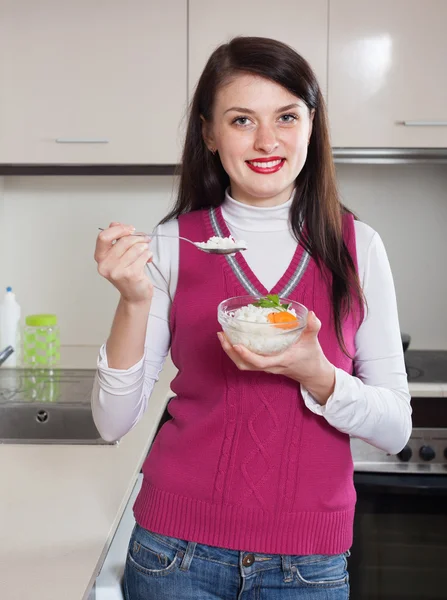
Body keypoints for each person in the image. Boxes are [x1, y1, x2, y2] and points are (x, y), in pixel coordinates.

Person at [92, 36, 411, 599]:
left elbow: (395, 428)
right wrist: (133, 301)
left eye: (286, 116)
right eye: (242, 120)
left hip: (309, 565)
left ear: (312, 123)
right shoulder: (173, 243)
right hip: (174, 552)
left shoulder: (358, 246)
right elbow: (112, 423)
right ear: (210, 133)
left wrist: (317, 375)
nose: (267, 141)